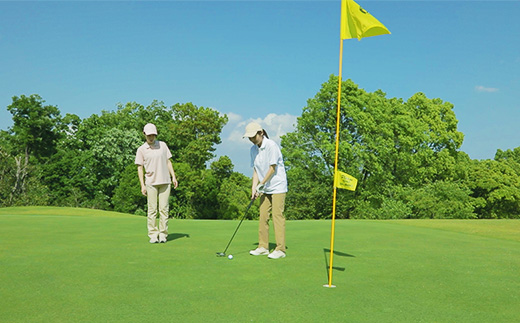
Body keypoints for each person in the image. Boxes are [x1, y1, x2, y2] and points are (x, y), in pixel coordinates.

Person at [243, 122, 288, 259]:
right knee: (263, 216)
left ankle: (280, 249)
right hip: (265, 187)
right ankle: (263, 247)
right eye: (249, 137)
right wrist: (254, 188)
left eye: (253, 136)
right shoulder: (253, 150)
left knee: (277, 216)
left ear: (261, 133)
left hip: (277, 185)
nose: (251, 139)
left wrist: (261, 185)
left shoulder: (271, 146)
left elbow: (272, 168)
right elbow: (256, 170)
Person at [135, 123, 178, 244]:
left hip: (165, 181)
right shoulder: (141, 149)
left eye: (153, 135)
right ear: (144, 134)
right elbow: (140, 168)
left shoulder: (163, 145)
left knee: (164, 209)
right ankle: (153, 234)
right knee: (152, 210)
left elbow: (168, 161)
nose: (151, 137)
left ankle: (163, 234)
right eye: (149, 135)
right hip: (151, 182)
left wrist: (173, 177)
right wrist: (142, 185)